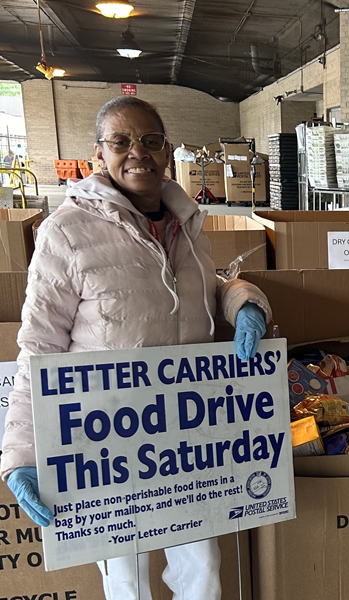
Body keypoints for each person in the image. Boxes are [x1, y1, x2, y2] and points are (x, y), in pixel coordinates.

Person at [1, 96, 273, 600]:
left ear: (167, 151)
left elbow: (203, 286)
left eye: (150, 141)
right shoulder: (66, 231)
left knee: (203, 567)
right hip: (104, 437)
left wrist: (243, 302)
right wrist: (21, 453)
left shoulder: (187, 221)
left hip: (186, 433)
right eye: (121, 141)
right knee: (125, 577)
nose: (137, 153)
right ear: (98, 153)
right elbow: (38, 344)